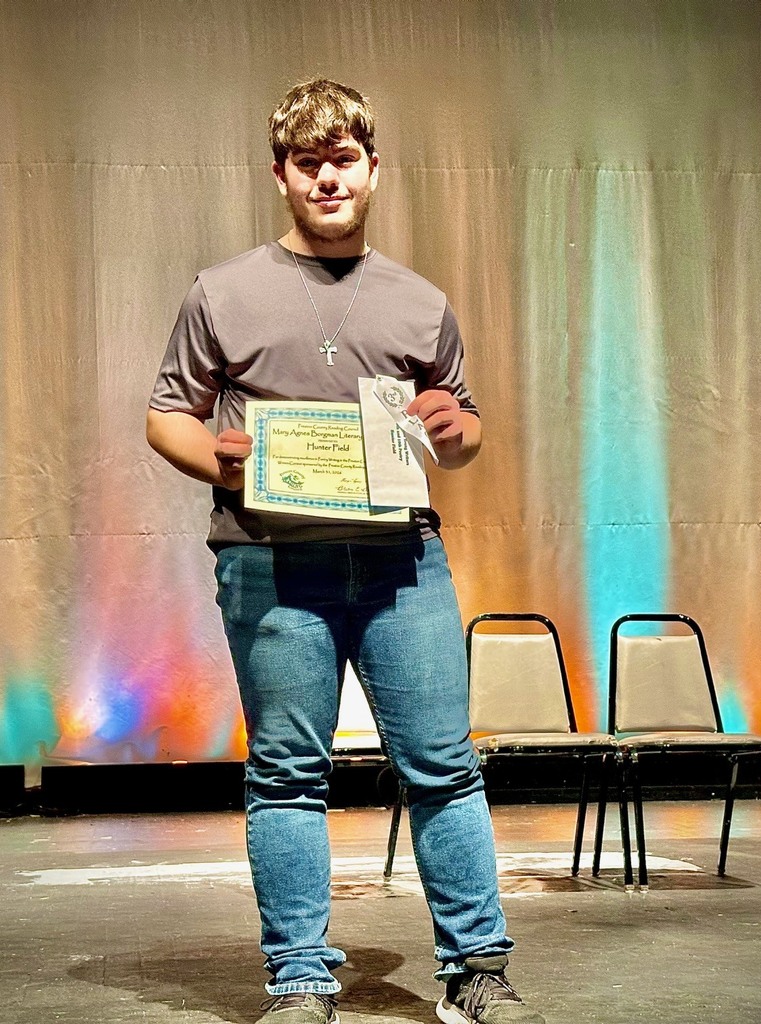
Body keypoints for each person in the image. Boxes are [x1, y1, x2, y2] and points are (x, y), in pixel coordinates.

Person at [147, 79, 545, 1024]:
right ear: (280, 174)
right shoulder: (223, 291)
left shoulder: (418, 300)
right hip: (270, 559)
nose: (327, 178)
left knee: (444, 764)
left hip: (402, 562)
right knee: (286, 773)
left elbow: (464, 423)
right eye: (307, 162)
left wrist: (458, 431)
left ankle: (476, 971)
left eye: (344, 160)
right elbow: (168, 415)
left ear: (372, 170)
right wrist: (222, 460)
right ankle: (298, 978)